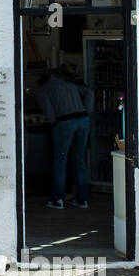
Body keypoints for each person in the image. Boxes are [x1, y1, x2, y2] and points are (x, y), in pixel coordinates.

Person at [37, 68, 94, 209]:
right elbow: (90, 92)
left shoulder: (43, 89)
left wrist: (52, 122)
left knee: (60, 161)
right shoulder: (70, 85)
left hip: (65, 122)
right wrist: (87, 111)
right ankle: (82, 200)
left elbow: (49, 112)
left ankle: (58, 200)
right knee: (79, 160)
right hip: (83, 120)